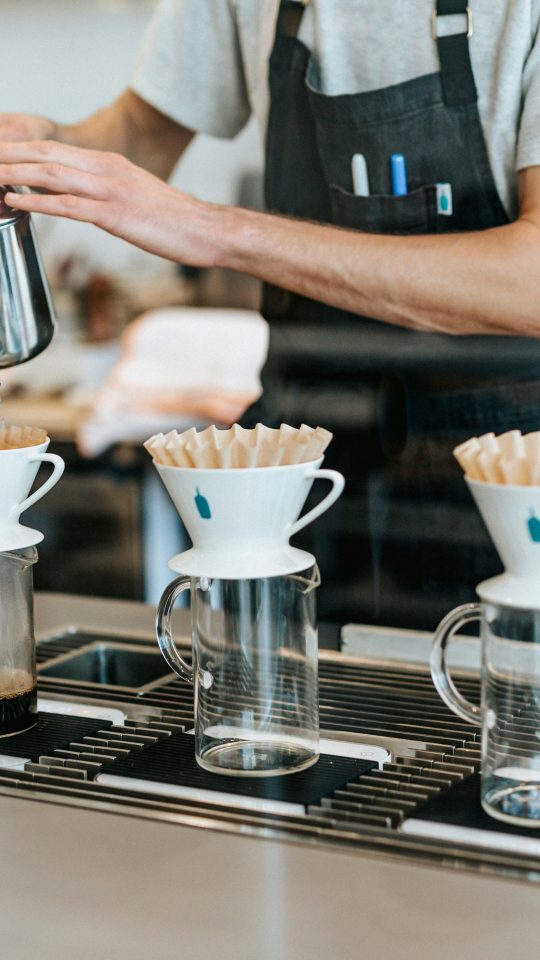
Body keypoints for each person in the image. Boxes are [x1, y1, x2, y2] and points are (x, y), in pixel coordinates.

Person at [1, 0, 540, 629]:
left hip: (507, 477)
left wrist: (214, 231)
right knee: (283, 703)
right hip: (301, 466)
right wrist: (45, 149)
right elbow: (141, 133)